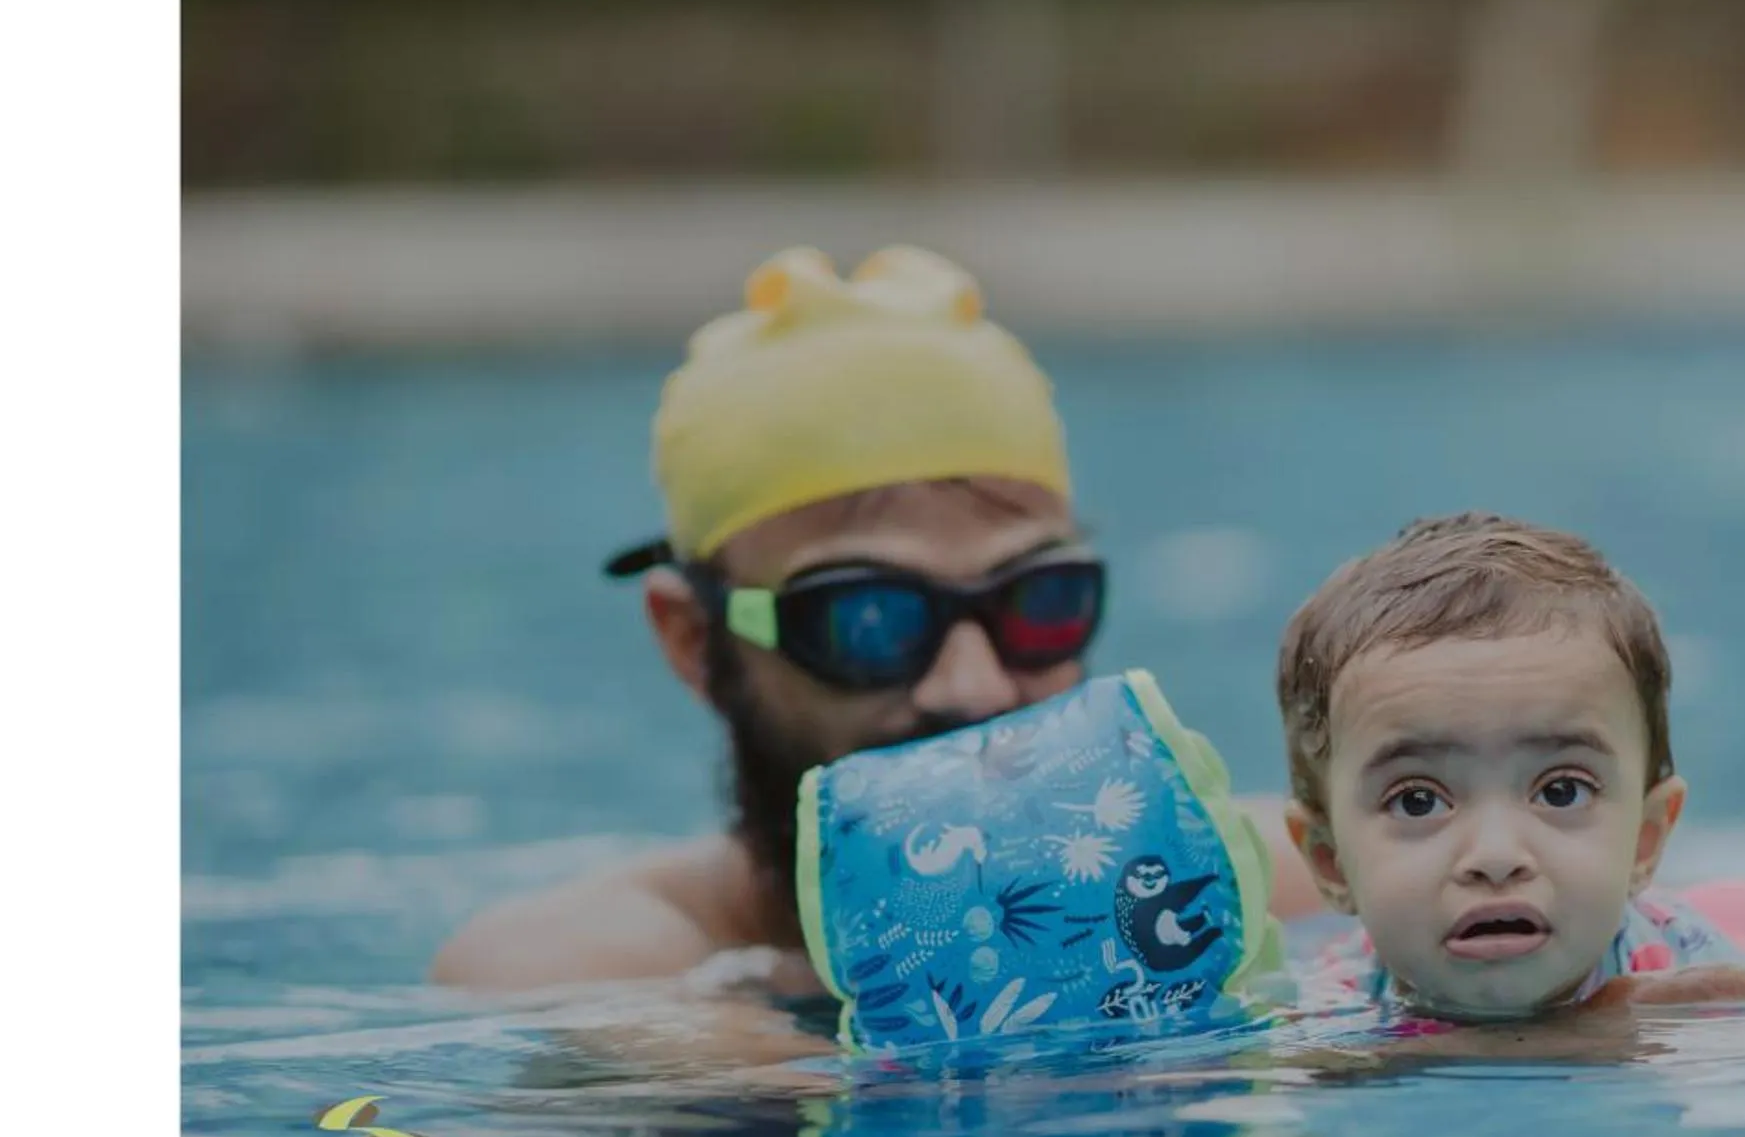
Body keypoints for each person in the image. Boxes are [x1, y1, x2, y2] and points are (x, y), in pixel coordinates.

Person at [431, 243, 1319, 1004]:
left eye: (1038, 600)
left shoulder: (1302, 881)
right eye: (869, 617)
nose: (971, 684)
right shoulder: (588, 971)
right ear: (694, 639)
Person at [1273, 512, 1745, 1023]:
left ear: (1646, 838)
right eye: (1418, 800)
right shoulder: (1330, 1005)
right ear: (1330, 862)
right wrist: (1591, 1034)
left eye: (1562, 791)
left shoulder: (1697, 980)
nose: (1496, 857)